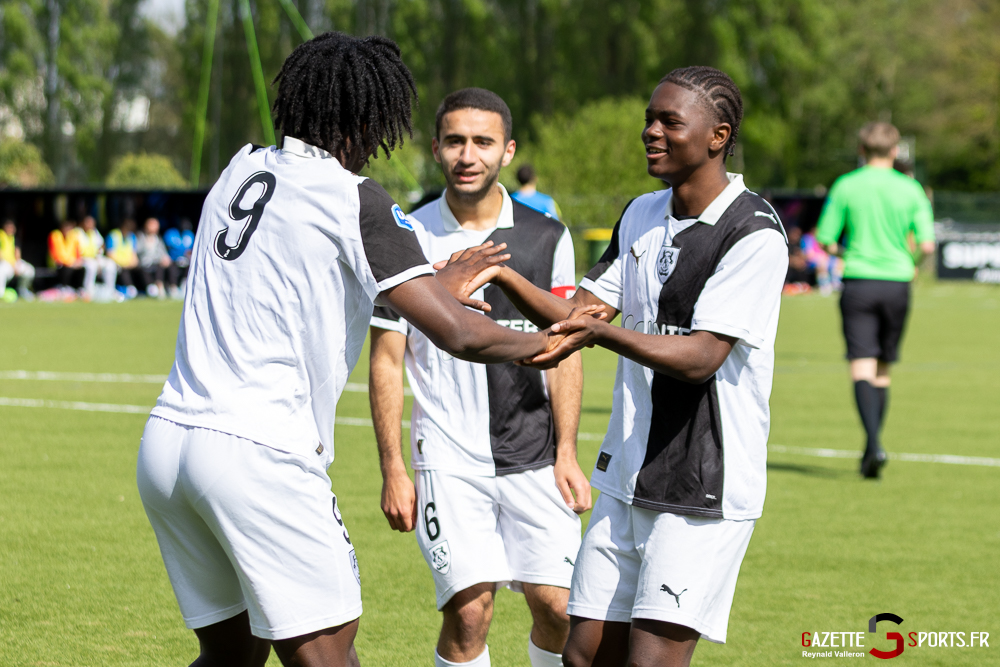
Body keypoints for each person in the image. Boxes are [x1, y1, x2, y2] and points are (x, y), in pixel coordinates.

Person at [136, 32, 584, 667]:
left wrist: (435, 286)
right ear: (367, 118)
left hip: (168, 443)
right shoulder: (356, 198)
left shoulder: (239, 169)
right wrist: (543, 342)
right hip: (260, 454)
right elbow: (455, 332)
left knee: (230, 657)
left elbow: (321, 275)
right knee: (330, 654)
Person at [442, 66, 788, 667]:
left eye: (669, 122)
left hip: (701, 486)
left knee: (650, 661)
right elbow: (577, 313)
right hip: (624, 476)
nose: (651, 132)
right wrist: (503, 276)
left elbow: (703, 357)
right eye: (649, 120)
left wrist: (600, 332)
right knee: (584, 655)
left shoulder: (752, 231)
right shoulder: (642, 214)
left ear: (718, 135)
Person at [369, 88, 589, 667]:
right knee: (469, 614)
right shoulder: (404, 236)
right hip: (448, 458)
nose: (469, 154)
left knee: (561, 610)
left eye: (483, 142)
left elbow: (568, 349)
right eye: (456, 141)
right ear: (437, 148)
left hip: (536, 456)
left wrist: (567, 451)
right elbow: (387, 357)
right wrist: (394, 467)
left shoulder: (548, 237)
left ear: (507, 151)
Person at [814, 121, 935, 479]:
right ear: (896, 151)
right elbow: (927, 245)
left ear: (862, 151)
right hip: (898, 283)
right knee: (883, 369)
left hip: (859, 282)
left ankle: (873, 443)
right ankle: (873, 449)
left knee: (861, 365)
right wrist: (910, 265)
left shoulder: (847, 185)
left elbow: (824, 238)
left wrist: (843, 250)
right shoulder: (911, 189)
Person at [74, 215, 118, 301]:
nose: (90, 225)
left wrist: (99, 254)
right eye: (88, 223)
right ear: (82, 223)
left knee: (110, 264)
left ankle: (110, 290)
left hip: (95, 258)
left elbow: (101, 245)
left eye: (92, 223)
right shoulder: (77, 233)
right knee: (92, 265)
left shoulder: (94, 232)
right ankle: (88, 291)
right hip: (82, 259)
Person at [135, 217, 179, 298]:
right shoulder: (140, 237)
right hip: (145, 264)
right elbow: (138, 252)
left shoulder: (158, 238)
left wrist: (165, 258)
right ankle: (157, 287)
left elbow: (163, 252)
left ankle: (172, 287)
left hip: (157, 263)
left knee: (168, 265)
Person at [0, 219, 36, 300]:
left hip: (13, 264)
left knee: (29, 270)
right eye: (8, 227)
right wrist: (10, 264)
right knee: (1, 271)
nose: (11, 229)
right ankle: (1, 293)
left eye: (12, 227)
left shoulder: (14, 238)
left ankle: (22, 290)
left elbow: (17, 253)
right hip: (3, 263)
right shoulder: (1, 236)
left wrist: (17, 264)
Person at [48, 219, 85, 292]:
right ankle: (64, 287)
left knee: (82, 269)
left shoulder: (73, 237)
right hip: (57, 263)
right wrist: (69, 263)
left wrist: (77, 262)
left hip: (70, 263)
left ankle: (79, 289)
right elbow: (55, 255)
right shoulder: (55, 236)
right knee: (66, 269)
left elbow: (77, 253)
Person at [107, 219, 140, 299]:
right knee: (122, 270)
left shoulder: (132, 237)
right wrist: (124, 263)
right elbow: (110, 254)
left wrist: (133, 262)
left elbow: (134, 255)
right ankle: (129, 288)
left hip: (128, 265)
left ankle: (143, 289)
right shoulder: (113, 235)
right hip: (117, 264)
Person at [164, 218, 195, 294]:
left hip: (186, 259)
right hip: (173, 259)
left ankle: (185, 285)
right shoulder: (171, 233)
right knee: (172, 268)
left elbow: (191, 250)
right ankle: (173, 287)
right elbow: (167, 248)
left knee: (191, 265)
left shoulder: (190, 235)